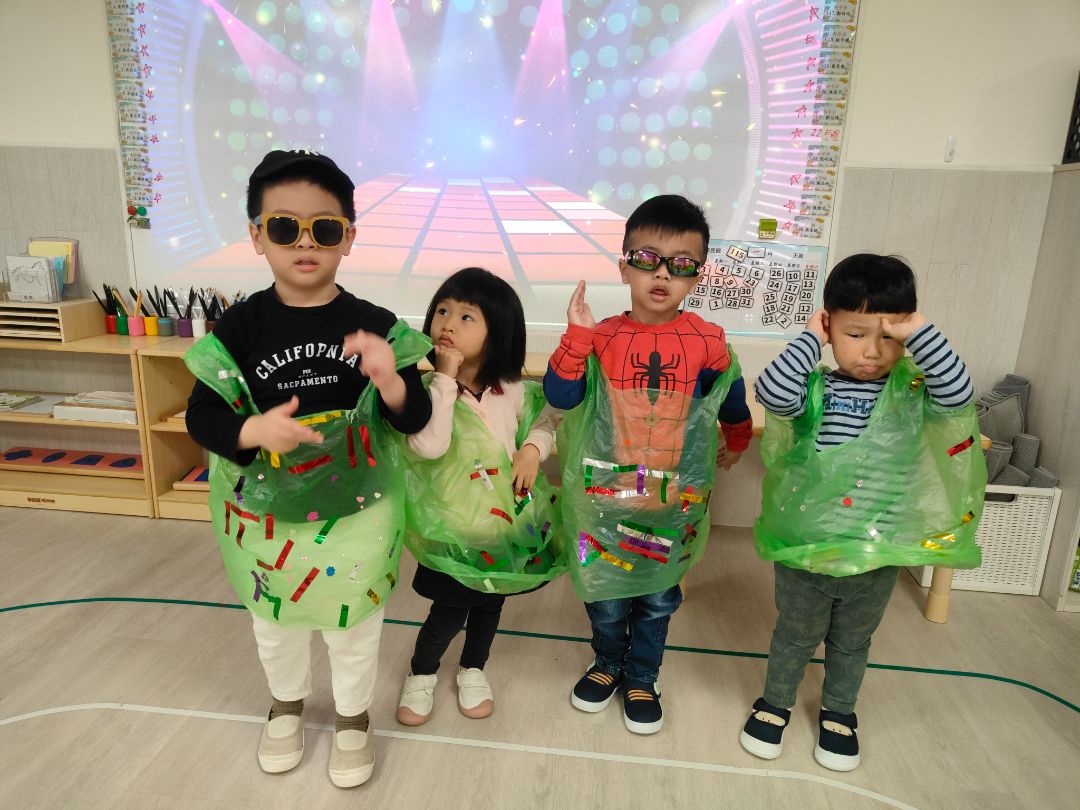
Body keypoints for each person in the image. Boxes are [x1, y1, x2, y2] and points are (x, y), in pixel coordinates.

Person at [185, 149, 431, 788]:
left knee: (356, 626)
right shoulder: (239, 328)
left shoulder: (375, 325)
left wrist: (391, 380)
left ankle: (353, 718)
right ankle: (286, 706)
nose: (304, 243)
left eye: (323, 228)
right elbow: (201, 416)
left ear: (348, 237)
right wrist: (251, 431)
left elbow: (414, 416)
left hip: (359, 511)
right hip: (267, 516)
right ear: (256, 237)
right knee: (275, 622)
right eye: (283, 227)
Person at [741, 253, 983, 771]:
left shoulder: (912, 395)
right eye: (855, 334)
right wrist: (811, 337)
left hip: (876, 551)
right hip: (807, 548)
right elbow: (771, 393)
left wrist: (919, 332)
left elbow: (959, 396)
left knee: (852, 642)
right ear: (831, 327)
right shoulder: (817, 390)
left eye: (889, 337)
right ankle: (775, 703)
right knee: (795, 635)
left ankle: (839, 711)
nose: (873, 352)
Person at [545, 195, 752, 734]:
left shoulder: (707, 341)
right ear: (624, 267)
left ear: (697, 276)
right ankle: (607, 661)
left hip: (672, 499)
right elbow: (562, 398)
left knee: (658, 596)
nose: (662, 274)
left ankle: (642, 674)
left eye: (681, 264)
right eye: (647, 259)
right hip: (603, 497)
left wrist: (738, 439)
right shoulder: (601, 337)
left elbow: (730, 398)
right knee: (605, 592)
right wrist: (576, 338)